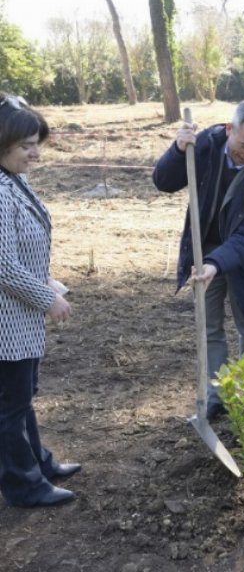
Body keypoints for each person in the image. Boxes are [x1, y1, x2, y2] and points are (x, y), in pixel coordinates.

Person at [153, 100, 244, 421]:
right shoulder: (204, 148)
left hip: (243, 260)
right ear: (230, 129)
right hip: (202, 252)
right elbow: (163, 181)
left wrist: (216, 263)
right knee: (210, 328)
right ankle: (217, 394)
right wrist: (178, 149)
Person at [0, 93, 81, 507]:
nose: (35, 152)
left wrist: (49, 280)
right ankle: (23, 485)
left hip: (20, 317)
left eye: (37, 142)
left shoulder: (14, 179)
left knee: (20, 398)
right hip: (6, 322)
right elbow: (5, 267)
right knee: (9, 408)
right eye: (25, 145)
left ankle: (39, 463)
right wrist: (46, 297)